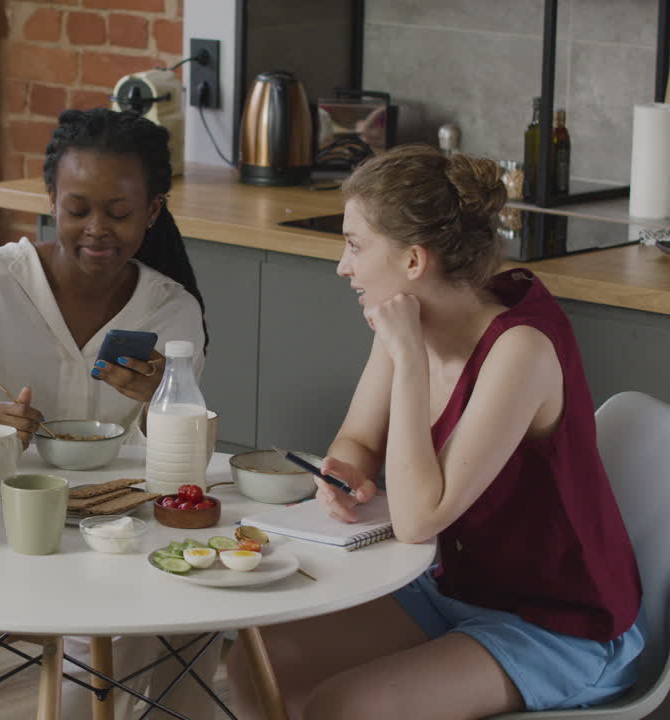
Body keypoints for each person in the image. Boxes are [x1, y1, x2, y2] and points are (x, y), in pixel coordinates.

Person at [227, 145, 644, 719]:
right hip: (451, 587)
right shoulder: (405, 321)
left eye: (354, 245)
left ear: (414, 262)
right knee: (254, 659)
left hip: (558, 623)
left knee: (344, 708)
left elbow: (421, 516)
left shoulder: (519, 351)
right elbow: (358, 440)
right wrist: (344, 469)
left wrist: (409, 360)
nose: (342, 265)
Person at [0, 107, 219, 719]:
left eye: (119, 214)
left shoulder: (171, 311)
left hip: (117, 531)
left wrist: (158, 403)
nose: (97, 229)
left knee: (203, 615)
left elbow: (180, 464)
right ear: (50, 200)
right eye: (77, 209)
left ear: (152, 212)